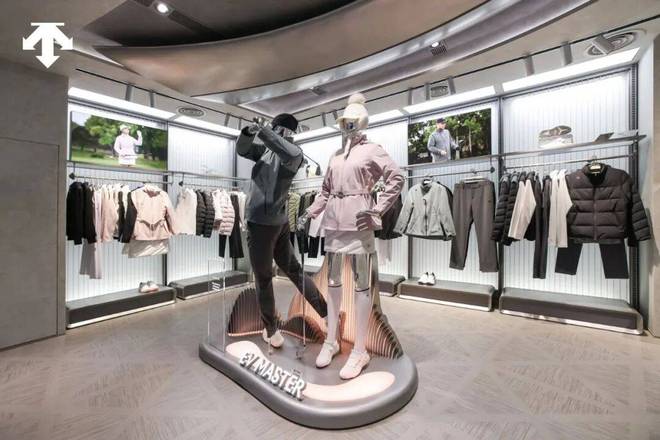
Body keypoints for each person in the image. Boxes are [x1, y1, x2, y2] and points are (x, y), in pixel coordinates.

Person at [299, 93, 404, 379]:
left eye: (352, 120)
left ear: (362, 121)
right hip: (334, 221)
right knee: (333, 281)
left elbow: (396, 178)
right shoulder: (335, 155)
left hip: (359, 222)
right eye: (345, 121)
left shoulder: (372, 150)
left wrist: (378, 209)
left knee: (361, 286)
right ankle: (331, 340)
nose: (348, 125)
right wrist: (309, 212)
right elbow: (325, 191)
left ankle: (360, 349)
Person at [236, 113, 327, 349]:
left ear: (280, 129)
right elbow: (243, 150)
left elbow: (287, 150)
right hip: (277, 222)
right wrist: (248, 133)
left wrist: (263, 130)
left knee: (264, 278)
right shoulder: (267, 152)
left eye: (275, 128)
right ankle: (327, 313)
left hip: (262, 224)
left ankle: (272, 331)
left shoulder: (294, 154)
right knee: (293, 271)